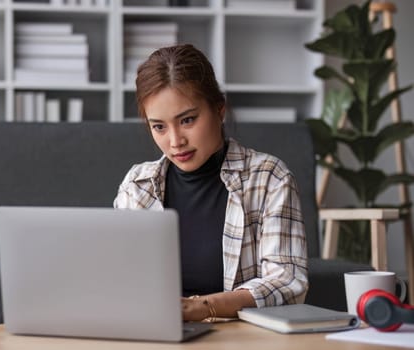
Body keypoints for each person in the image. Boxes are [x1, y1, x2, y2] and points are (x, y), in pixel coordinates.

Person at [113, 44, 308, 322]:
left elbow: (289, 283)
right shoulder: (137, 185)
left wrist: (205, 307)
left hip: (238, 336)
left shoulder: (269, 178)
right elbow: (119, 278)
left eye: (188, 120)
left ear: (219, 109)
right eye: (159, 126)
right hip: (153, 332)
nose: (175, 140)